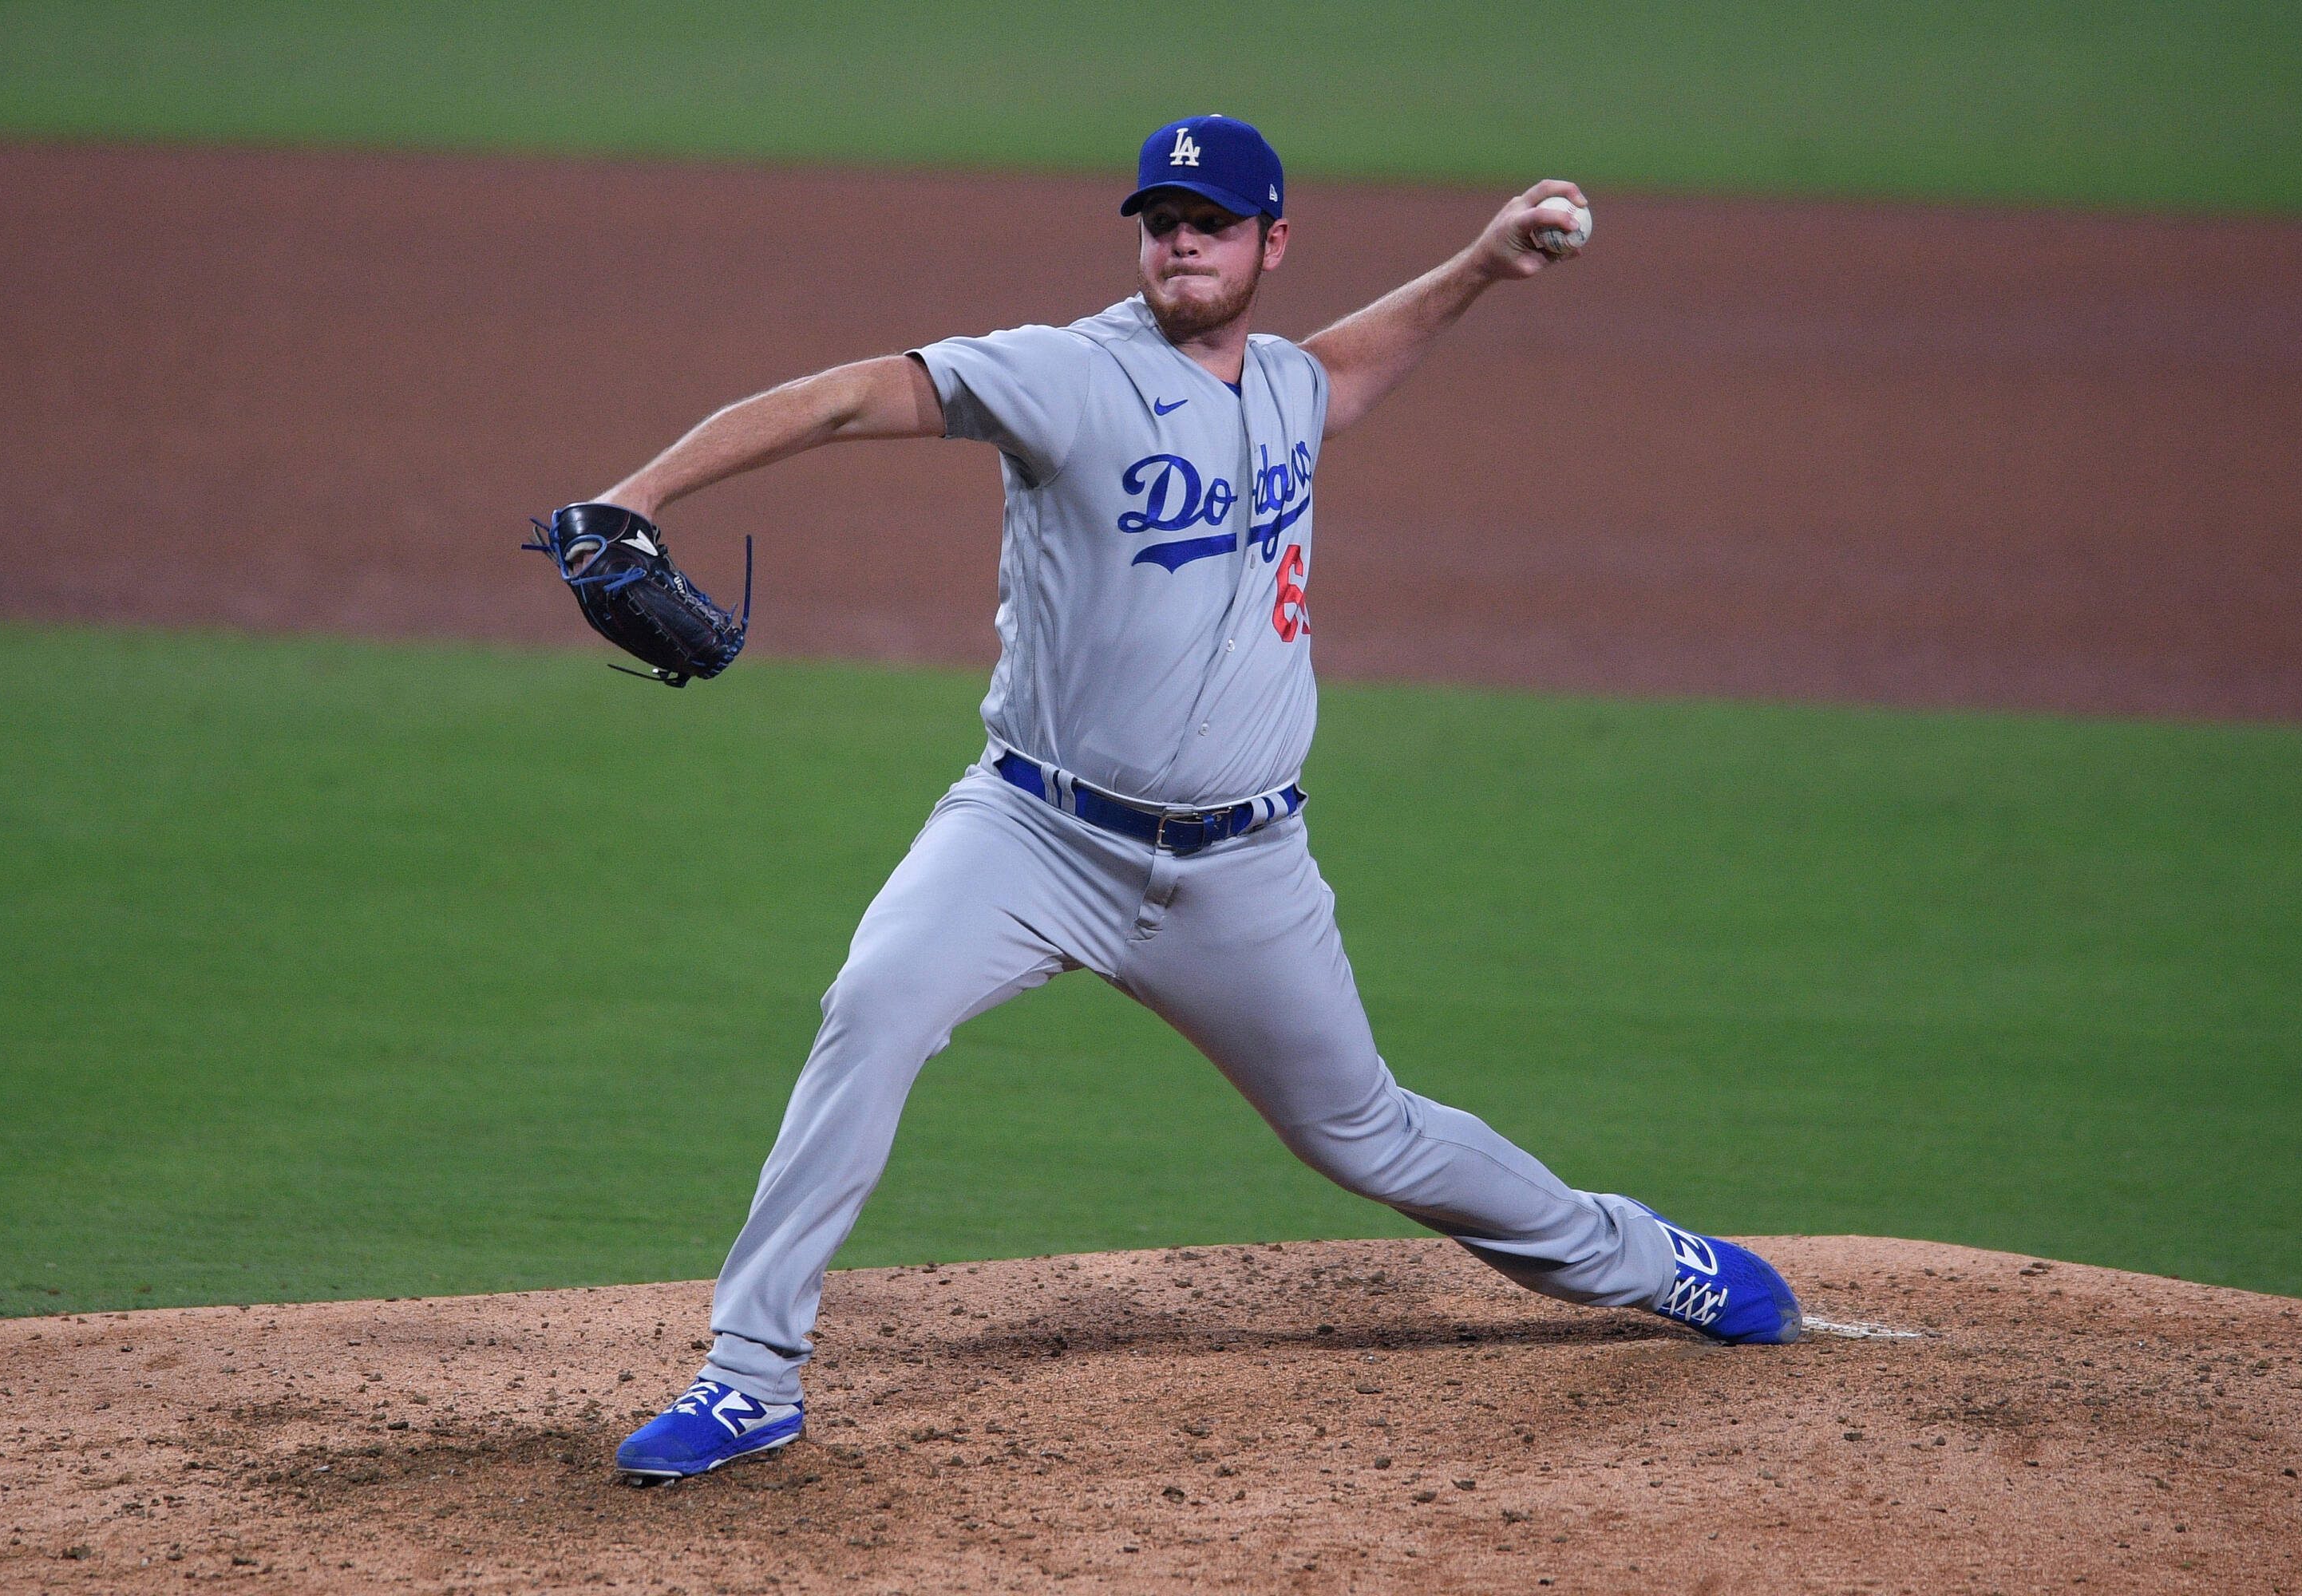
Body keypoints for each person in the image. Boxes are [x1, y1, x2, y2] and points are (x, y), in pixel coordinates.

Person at [601, 115, 1801, 1482]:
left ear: (1268, 244)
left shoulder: (1283, 383)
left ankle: (1648, 1260)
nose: (1181, 239)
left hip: (1242, 871)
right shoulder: (1066, 374)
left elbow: (1340, 373)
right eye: (1162, 217)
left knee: (1370, 1135)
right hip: (1033, 834)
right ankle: (752, 1375)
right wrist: (634, 495)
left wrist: (1478, 264)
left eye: (1212, 221)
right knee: (872, 1007)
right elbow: (840, 397)